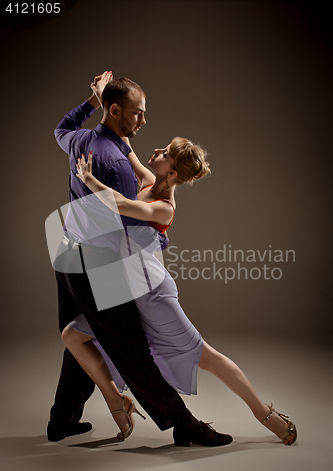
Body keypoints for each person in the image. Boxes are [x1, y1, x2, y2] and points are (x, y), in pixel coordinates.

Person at [63, 132, 297, 446]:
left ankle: (267, 417)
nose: (156, 150)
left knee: (206, 356)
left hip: (151, 295)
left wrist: (88, 179)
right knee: (72, 336)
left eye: (165, 152)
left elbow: (118, 204)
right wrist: (102, 101)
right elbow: (126, 147)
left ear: (171, 172)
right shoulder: (148, 179)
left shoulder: (164, 208)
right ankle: (116, 399)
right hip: (121, 288)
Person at [47, 71, 233, 448]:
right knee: (132, 348)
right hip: (96, 262)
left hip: (65, 251)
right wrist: (159, 234)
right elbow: (125, 223)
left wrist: (92, 102)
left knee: (84, 334)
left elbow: (61, 128)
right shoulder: (115, 164)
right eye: (137, 114)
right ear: (116, 110)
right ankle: (185, 425)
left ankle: (62, 420)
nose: (143, 121)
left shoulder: (82, 141)